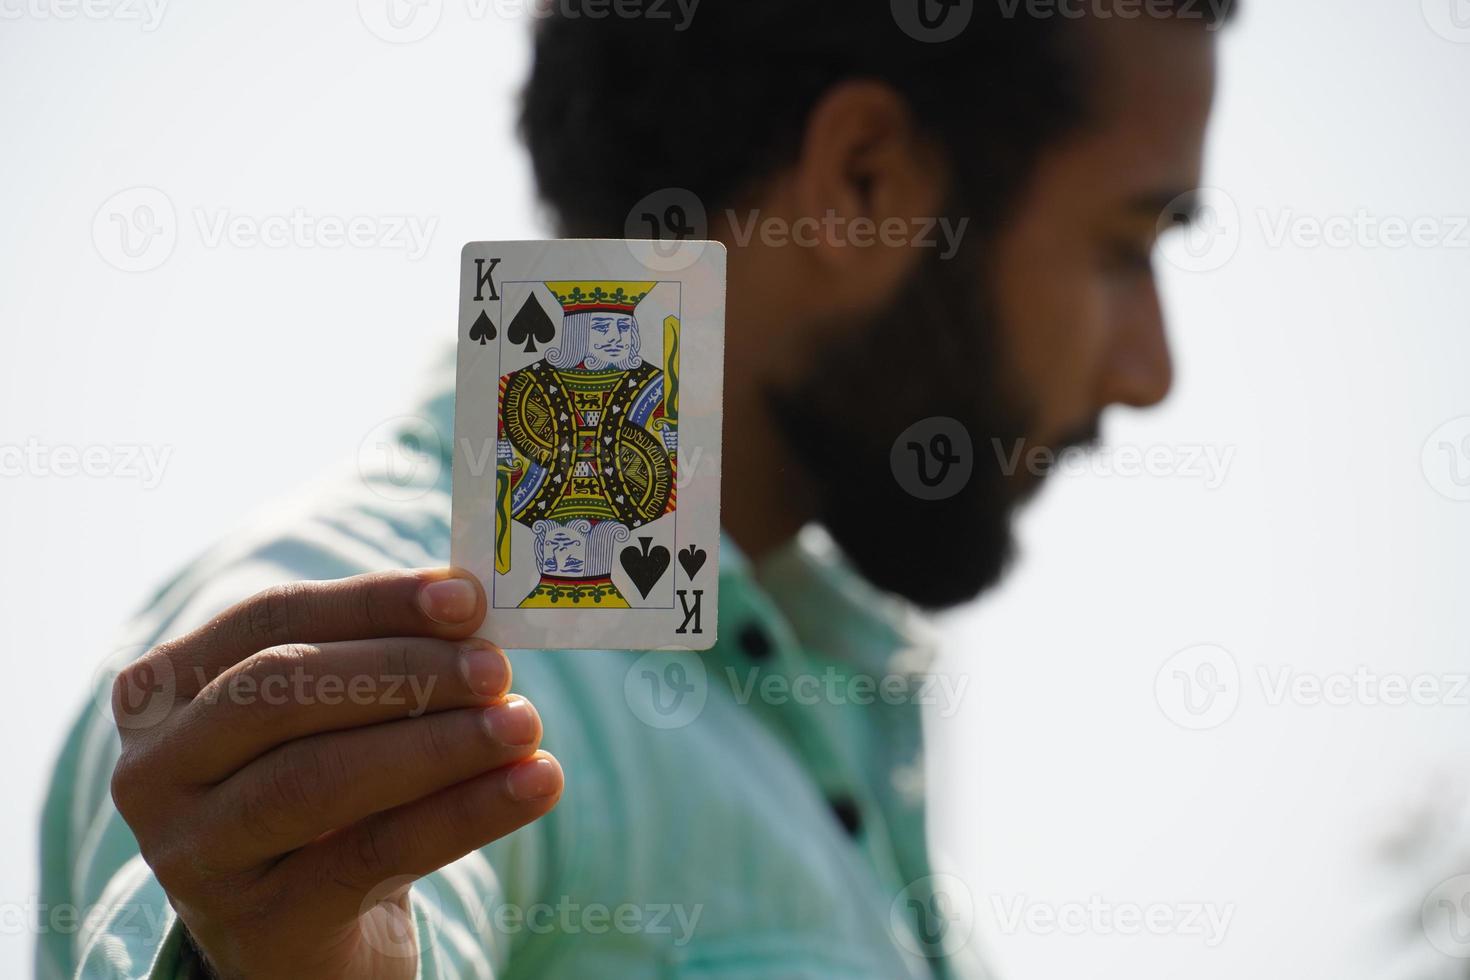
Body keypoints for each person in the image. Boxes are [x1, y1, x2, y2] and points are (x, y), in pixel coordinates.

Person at [39, 1, 1234, 976]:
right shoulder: (367, 623)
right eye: (1126, 243)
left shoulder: (839, 693)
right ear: (864, 178)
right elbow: (332, 917)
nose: (1153, 372)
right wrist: (288, 954)